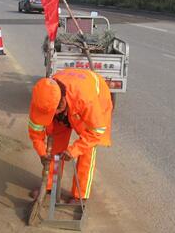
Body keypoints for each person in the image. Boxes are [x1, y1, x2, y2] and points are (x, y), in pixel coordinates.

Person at [28, 68, 113, 203]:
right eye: (49, 114)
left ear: (61, 102)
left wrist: (74, 150)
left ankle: (80, 195)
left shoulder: (86, 99)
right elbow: (35, 133)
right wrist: (42, 153)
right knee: (55, 146)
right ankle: (49, 186)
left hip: (94, 100)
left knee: (86, 149)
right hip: (70, 100)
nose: (53, 115)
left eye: (55, 111)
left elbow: (97, 131)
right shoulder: (41, 99)